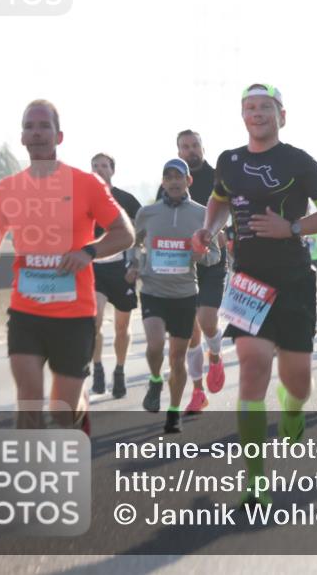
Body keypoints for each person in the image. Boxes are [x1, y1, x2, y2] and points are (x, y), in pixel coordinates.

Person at [193, 83, 317, 506]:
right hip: (248, 279)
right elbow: (218, 201)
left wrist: (291, 228)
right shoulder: (229, 161)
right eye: (250, 107)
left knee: (298, 382)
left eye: (265, 107)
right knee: (253, 367)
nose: (257, 114)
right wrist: (211, 229)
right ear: (243, 116)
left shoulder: (300, 161)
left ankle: (291, 409)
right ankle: (256, 477)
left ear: (282, 115)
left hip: (294, 278)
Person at [0, 99, 134, 432]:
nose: (37, 133)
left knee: (63, 411)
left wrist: (88, 252)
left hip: (74, 315)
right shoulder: (8, 189)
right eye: (30, 127)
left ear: (59, 137)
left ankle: (80, 410)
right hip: (26, 311)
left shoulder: (86, 184)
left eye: (45, 126)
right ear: (22, 138)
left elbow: (125, 234)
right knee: (28, 399)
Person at [129, 159, 220, 433]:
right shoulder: (147, 213)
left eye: (178, 177)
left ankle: (173, 411)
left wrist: (200, 254)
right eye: (168, 177)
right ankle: (156, 379)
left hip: (184, 293)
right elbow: (133, 244)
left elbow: (215, 254)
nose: (173, 182)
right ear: (162, 182)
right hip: (154, 290)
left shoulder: (203, 214)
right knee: (156, 344)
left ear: (188, 181)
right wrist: (135, 265)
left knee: (178, 358)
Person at [156, 130, 227, 413]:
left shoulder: (218, 176)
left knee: (206, 319)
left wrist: (219, 231)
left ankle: (216, 354)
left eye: (194, 145)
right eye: (184, 147)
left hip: (211, 260)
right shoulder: (170, 183)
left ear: (202, 147)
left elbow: (229, 208)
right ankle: (198, 392)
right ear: (178, 150)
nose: (190, 150)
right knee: (189, 331)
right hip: (181, 265)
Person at [88, 153, 142, 398]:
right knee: (94, 320)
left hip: (122, 269)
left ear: (113, 170)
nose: (99, 170)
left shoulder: (125, 199)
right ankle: (97, 367)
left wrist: (137, 263)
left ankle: (119, 371)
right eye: (95, 166)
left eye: (104, 166)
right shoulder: (83, 199)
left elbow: (144, 229)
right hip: (94, 267)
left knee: (122, 327)